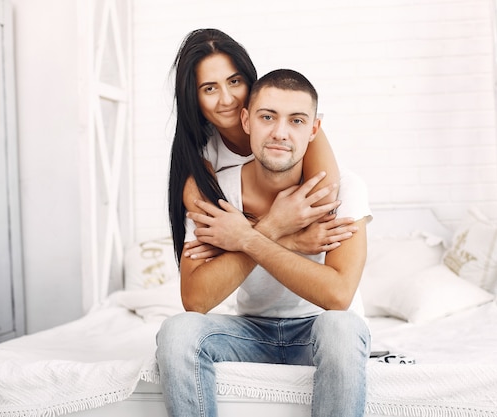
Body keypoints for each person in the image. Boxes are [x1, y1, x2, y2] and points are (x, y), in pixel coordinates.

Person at [156, 69, 371, 417]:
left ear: (314, 129)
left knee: (342, 326)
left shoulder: (345, 188)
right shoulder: (215, 194)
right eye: (267, 117)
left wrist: (243, 237)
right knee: (177, 331)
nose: (280, 133)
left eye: (297, 120)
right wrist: (275, 229)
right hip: (251, 332)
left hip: (319, 331)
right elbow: (195, 299)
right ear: (246, 121)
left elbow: (337, 295)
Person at [168, 28, 355, 265]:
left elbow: (324, 202)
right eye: (210, 88)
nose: (227, 99)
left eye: (234, 81)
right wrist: (287, 236)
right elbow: (214, 235)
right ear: (192, 98)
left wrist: (243, 233)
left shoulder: (292, 124)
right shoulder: (201, 156)